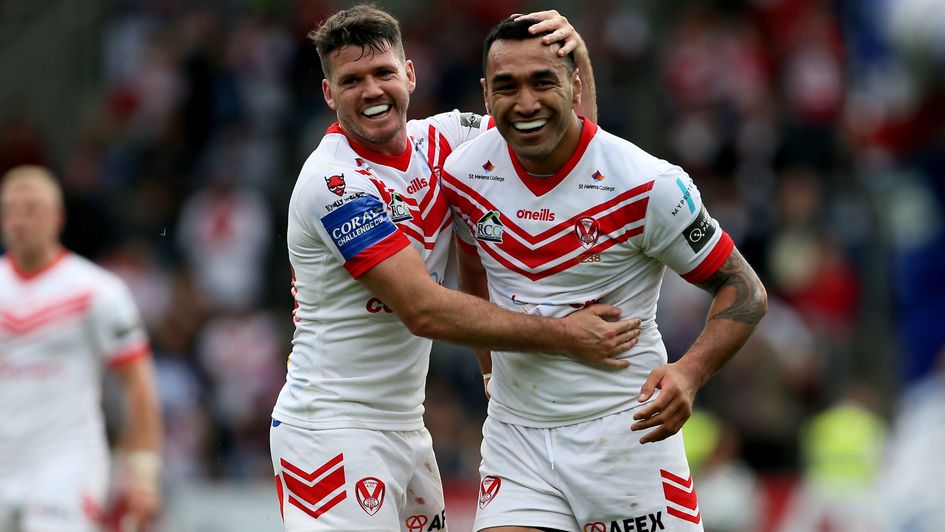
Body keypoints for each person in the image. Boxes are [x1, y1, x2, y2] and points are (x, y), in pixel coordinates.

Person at [269, 5, 641, 532]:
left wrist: (574, 59)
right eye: (351, 80)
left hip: (406, 427)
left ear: (410, 75)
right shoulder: (333, 184)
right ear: (329, 94)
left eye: (383, 73)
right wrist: (562, 336)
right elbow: (422, 309)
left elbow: (568, 147)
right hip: (330, 431)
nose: (371, 91)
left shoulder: (446, 140)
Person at [440, 17, 768, 532]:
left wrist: (690, 371)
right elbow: (474, 269)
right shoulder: (463, 174)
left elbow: (744, 288)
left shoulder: (647, 184)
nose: (525, 102)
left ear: (575, 85)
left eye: (542, 81)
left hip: (626, 436)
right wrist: (488, 369)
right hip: (516, 438)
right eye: (506, 86)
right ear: (485, 93)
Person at [0, 165, 162, 532]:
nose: (19, 221)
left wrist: (143, 473)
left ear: (57, 218)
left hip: (63, 462)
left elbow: (138, 386)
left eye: (31, 209)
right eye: (10, 210)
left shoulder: (97, 292)